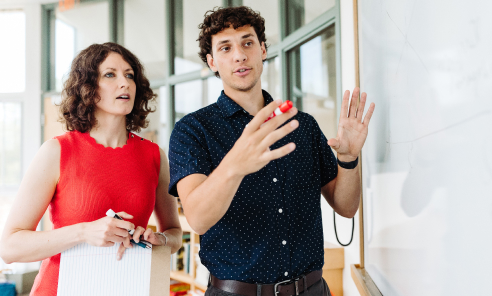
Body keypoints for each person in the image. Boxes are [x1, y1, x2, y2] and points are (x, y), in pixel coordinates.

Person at [168, 6, 375, 296]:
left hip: (313, 290)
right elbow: (198, 219)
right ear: (212, 62)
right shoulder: (193, 130)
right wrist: (235, 164)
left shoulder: (302, 125)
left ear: (263, 50)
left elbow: (346, 206)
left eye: (248, 42)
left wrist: (348, 158)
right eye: (226, 48)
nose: (239, 54)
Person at [0, 42, 182, 295]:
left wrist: (158, 240)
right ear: (87, 87)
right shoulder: (57, 151)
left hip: (128, 287)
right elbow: (9, 247)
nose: (125, 83)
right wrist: (84, 232)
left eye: (129, 75)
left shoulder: (154, 156)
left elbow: (173, 233)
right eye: (110, 74)